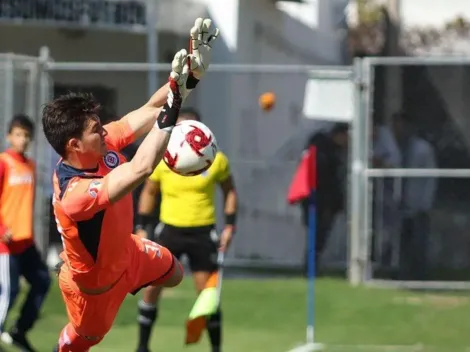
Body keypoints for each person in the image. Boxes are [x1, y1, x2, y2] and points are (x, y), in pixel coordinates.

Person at [44, 18, 219, 351]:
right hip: (95, 291)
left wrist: (187, 78)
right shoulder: (74, 196)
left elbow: (152, 109)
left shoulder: (101, 144)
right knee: (81, 342)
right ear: (73, 146)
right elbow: (141, 168)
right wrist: (174, 108)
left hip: (128, 252)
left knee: (175, 274)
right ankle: (65, 332)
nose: (104, 131)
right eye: (95, 129)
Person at [134, 107, 237, 352]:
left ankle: (216, 349)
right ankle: (142, 347)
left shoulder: (215, 159)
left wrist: (230, 225)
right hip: (169, 230)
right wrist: (141, 226)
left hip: (202, 232)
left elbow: (229, 191)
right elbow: (149, 191)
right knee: (151, 288)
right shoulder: (164, 159)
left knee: (207, 296)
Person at [0, 114, 51, 352]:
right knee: (8, 291)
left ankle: (20, 330)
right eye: (18, 134)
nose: (22, 140)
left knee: (42, 281)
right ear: (9, 136)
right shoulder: (3, 163)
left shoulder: (29, 165)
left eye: (27, 136)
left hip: (25, 241)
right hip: (5, 243)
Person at [391, 111, 437, 280]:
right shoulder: (396, 147)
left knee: (418, 241)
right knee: (401, 242)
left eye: (399, 124)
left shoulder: (422, 149)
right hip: (400, 204)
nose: (397, 129)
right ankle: (402, 274)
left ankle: (419, 275)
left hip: (418, 204)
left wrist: (425, 203)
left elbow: (431, 177)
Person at [300, 123, 348, 275]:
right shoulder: (324, 151)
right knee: (317, 236)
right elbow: (326, 179)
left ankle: (312, 266)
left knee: (320, 237)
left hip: (325, 202)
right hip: (318, 200)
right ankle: (310, 267)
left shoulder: (334, 152)